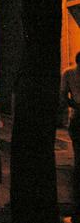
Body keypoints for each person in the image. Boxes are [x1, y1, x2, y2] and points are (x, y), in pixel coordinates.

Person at [61, 51, 80, 223]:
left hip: (77, 114)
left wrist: (72, 103)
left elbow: (62, 95)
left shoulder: (68, 73)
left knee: (78, 152)